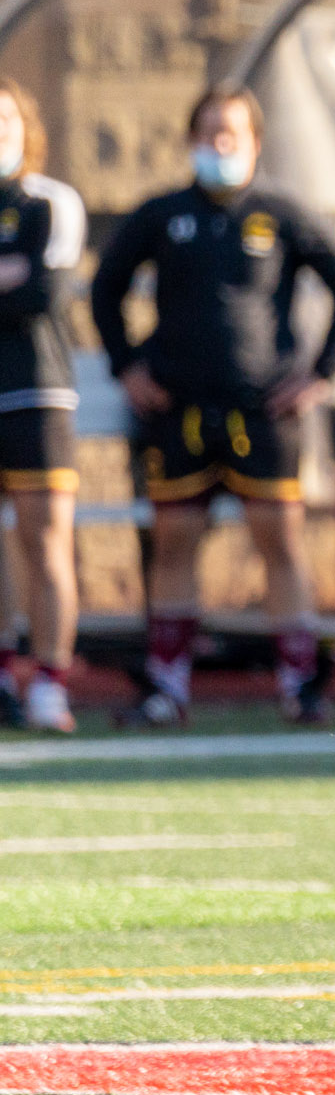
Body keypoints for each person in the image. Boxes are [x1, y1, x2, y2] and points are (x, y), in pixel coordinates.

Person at [91, 85, 335, 727]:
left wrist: (319, 373)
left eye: (231, 132)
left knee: (281, 541)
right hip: (179, 408)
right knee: (177, 538)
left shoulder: (279, 214)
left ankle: (299, 683)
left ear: (254, 142)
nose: (220, 143)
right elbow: (106, 285)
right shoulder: (163, 214)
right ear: (190, 140)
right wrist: (126, 366)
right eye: (209, 131)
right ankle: (167, 687)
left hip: (263, 412)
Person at [0, 79, 85, 733]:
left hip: (37, 394)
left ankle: (50, 680)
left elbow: (45, 291)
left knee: (44, 538)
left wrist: (21, 279)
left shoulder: (51, 202)